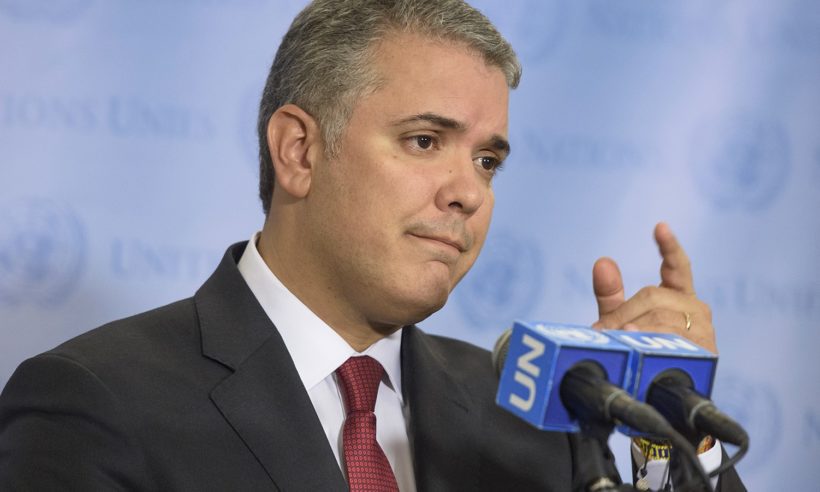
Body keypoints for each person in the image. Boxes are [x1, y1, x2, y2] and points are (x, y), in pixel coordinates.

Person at [0, 0, 744, 490]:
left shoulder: (532, 418)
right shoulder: (96, 403)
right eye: (424, 141)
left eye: (488, 160)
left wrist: (668, 432)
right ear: (299, 151)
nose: (469, 191)